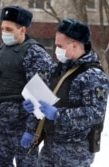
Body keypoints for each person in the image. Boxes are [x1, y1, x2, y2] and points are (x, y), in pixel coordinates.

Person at [22, 18, 109, 166]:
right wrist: (33, 109)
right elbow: (45, 100)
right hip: (50, 147)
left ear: (74, 45)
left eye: (59, 46)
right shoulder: (58, 69)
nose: (56, 50)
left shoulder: (93, 75)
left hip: (75, 152)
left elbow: (94, 114)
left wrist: (58, 114)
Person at [0, 6, 53, 167]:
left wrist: (32, 131)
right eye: (2, 28)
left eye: (9, 29)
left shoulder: (35, 54)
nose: (4, 32)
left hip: (23, 128)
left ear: (22, 30)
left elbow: (41, 99)